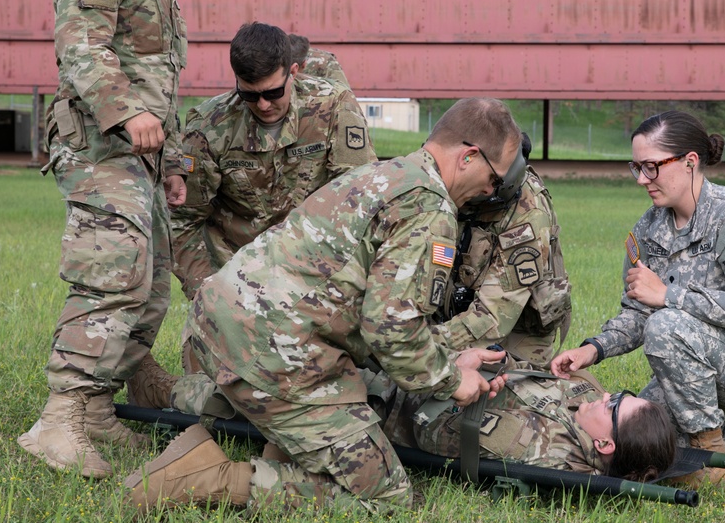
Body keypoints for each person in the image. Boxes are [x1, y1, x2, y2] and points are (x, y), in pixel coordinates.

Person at [124, 98, 525, 514]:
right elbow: (391, 334)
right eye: (494, 180)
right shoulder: (429, 208)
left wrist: (449, 357)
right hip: (275, 355)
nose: (489, 192)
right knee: (389, 498)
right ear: (469, 156)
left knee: (343, 421)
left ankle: (286, 446)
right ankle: (200, 479)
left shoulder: (385, 173)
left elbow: (372, 313)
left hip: (227, 325)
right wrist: (450, 381)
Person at [17, 0, 218, 480]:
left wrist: (175, 162)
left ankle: (100, 407)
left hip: (143, 159)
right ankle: (61, 417)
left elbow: (162, 87)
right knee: (112, 275)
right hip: (100, 150)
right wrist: (126, 112)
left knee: (153, 282)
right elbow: (82, 47)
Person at [550, 110, 725, 486]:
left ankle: (711, 455)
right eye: (636, 167)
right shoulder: (649, 228)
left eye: (651, 167)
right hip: (699, 357)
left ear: (690, 162)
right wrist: (591, 350)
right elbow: (639, 311)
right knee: (641, 431)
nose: (642, 179)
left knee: (667, 326)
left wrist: (670, 295)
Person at [128, 22, 376, 412]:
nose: (263, 105)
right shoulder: (210, 127)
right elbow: (183, 223)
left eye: (273, 92)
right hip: (237, 288)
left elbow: (362, 201)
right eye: (250, 95)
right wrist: (208, 293)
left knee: (340, 388)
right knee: (228, 402)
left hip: (317, 280)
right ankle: (157, 387)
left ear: (293, 71)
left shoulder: (332, 107)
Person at [379, 363, 676, 483]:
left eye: (614, 404)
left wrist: (457, 371)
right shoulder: (589, 417)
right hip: (453, 365)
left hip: (393, 396)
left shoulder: (529, 443)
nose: (607, 395)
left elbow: (430, 433)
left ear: (604, 444)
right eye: (622, 395)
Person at [432, 133, 572, 367]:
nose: (486, 189)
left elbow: (494, 317)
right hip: (456, 313)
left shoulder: (528, 214)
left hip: (515, 333)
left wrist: (418, 344)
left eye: (492, 182)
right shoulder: (450, 180)